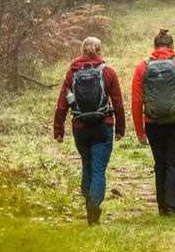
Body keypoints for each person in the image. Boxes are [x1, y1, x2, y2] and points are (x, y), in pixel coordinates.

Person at [53, 36, 125, 225]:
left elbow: (62, 104)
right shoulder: (108, 72)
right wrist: (120, 128)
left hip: (80, 128)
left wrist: (58, 129)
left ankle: (89, 205)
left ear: (82, 51)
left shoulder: (72, 73)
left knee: (87, 165)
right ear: (99, 51)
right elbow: (117, 102)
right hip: (103, 126)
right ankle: (94, 207)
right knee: (99, 169)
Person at [132, 28, 175, 217]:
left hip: (154, 122)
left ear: (154, 47)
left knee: (160, 162)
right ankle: (172, 207)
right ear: (172, 46)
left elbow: (137, 101)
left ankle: (162, 207)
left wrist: (140, 130)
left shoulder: (143, 67)